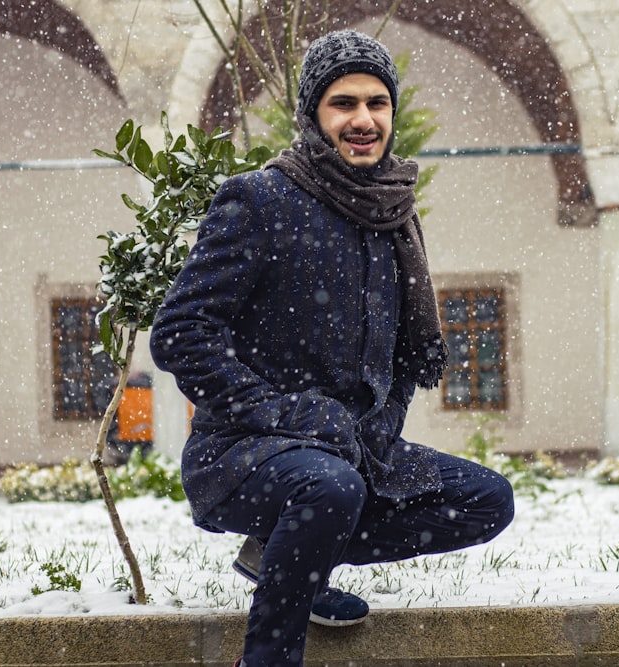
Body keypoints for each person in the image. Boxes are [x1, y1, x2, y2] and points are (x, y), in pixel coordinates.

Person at [149, 29, 515, 667]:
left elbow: (402, 355)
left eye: (377, 103)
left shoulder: (391, 211)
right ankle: (268, 656)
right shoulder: (260, 200)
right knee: (330, 488)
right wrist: (287, 414)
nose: (364, 119)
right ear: (314, 116)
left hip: (355, 448)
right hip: (245, 450)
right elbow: (181, 332)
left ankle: (289, 555)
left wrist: (377, 425)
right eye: (343, 103)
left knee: (484, 500)